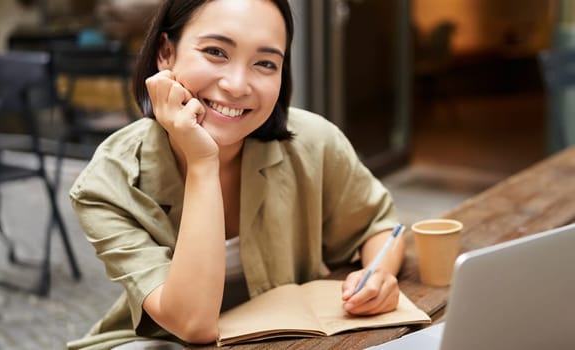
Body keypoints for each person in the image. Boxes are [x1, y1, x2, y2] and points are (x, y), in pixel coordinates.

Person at [67, 0, 404, 348]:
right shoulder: (109, 182)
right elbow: (193, 325)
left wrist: (377, 275)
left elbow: (378, 227)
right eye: (215, 52)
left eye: (265, 63)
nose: (237, 85)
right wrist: (202, 163)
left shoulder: (315, 143)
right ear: (166, 53)